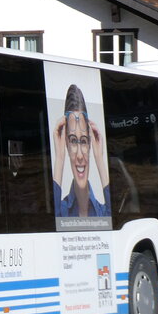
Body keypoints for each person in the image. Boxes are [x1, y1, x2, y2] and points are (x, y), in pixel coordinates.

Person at [52, 84, 111, 217]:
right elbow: (50, 223)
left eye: (84, 141)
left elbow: (116, 219)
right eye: (73, 141)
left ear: (90, 144)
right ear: (66, 143)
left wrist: (100, 160)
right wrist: (59, 158)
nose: (79, 155)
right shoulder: (62, 210)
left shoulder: (102, 212)